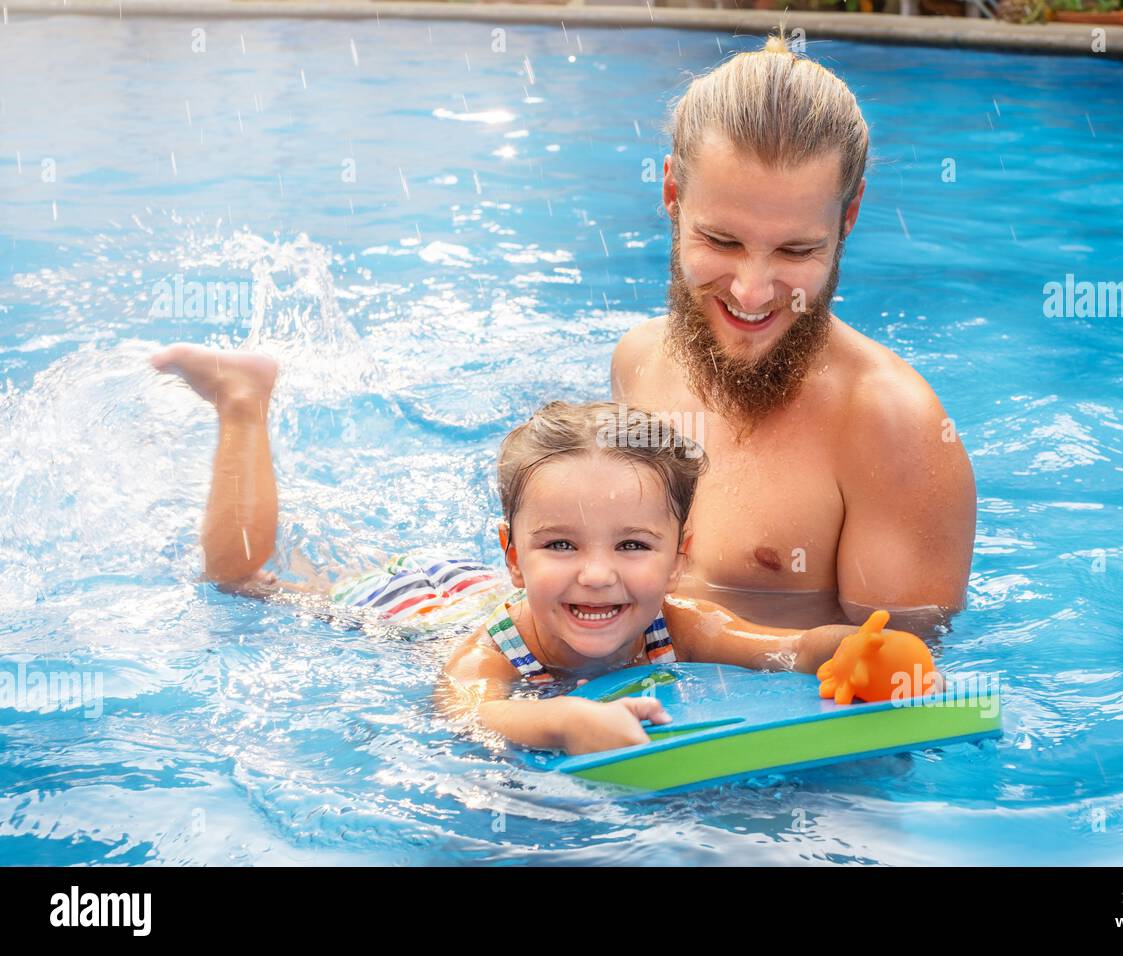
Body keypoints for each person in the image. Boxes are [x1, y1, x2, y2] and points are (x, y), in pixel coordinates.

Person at [149, 345, 860, 755]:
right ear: (515, 555)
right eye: (560, 543)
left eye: (634, 545)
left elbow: (783, 650)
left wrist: (853, 651)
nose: (597, 574)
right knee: (245, 581)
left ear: (680, 558)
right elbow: (463, 709)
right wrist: (561, 718)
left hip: (487, 584)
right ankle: (243, 401)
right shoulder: (489, 653)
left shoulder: (677, 621)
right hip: (418, 606)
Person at [612, 33, 976, 635]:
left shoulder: (895, 431)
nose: (752, 293)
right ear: (673, 194)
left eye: (796, 249)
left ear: (849, 217)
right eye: (722, 241)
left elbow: (894, 686)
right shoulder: (640, 359)